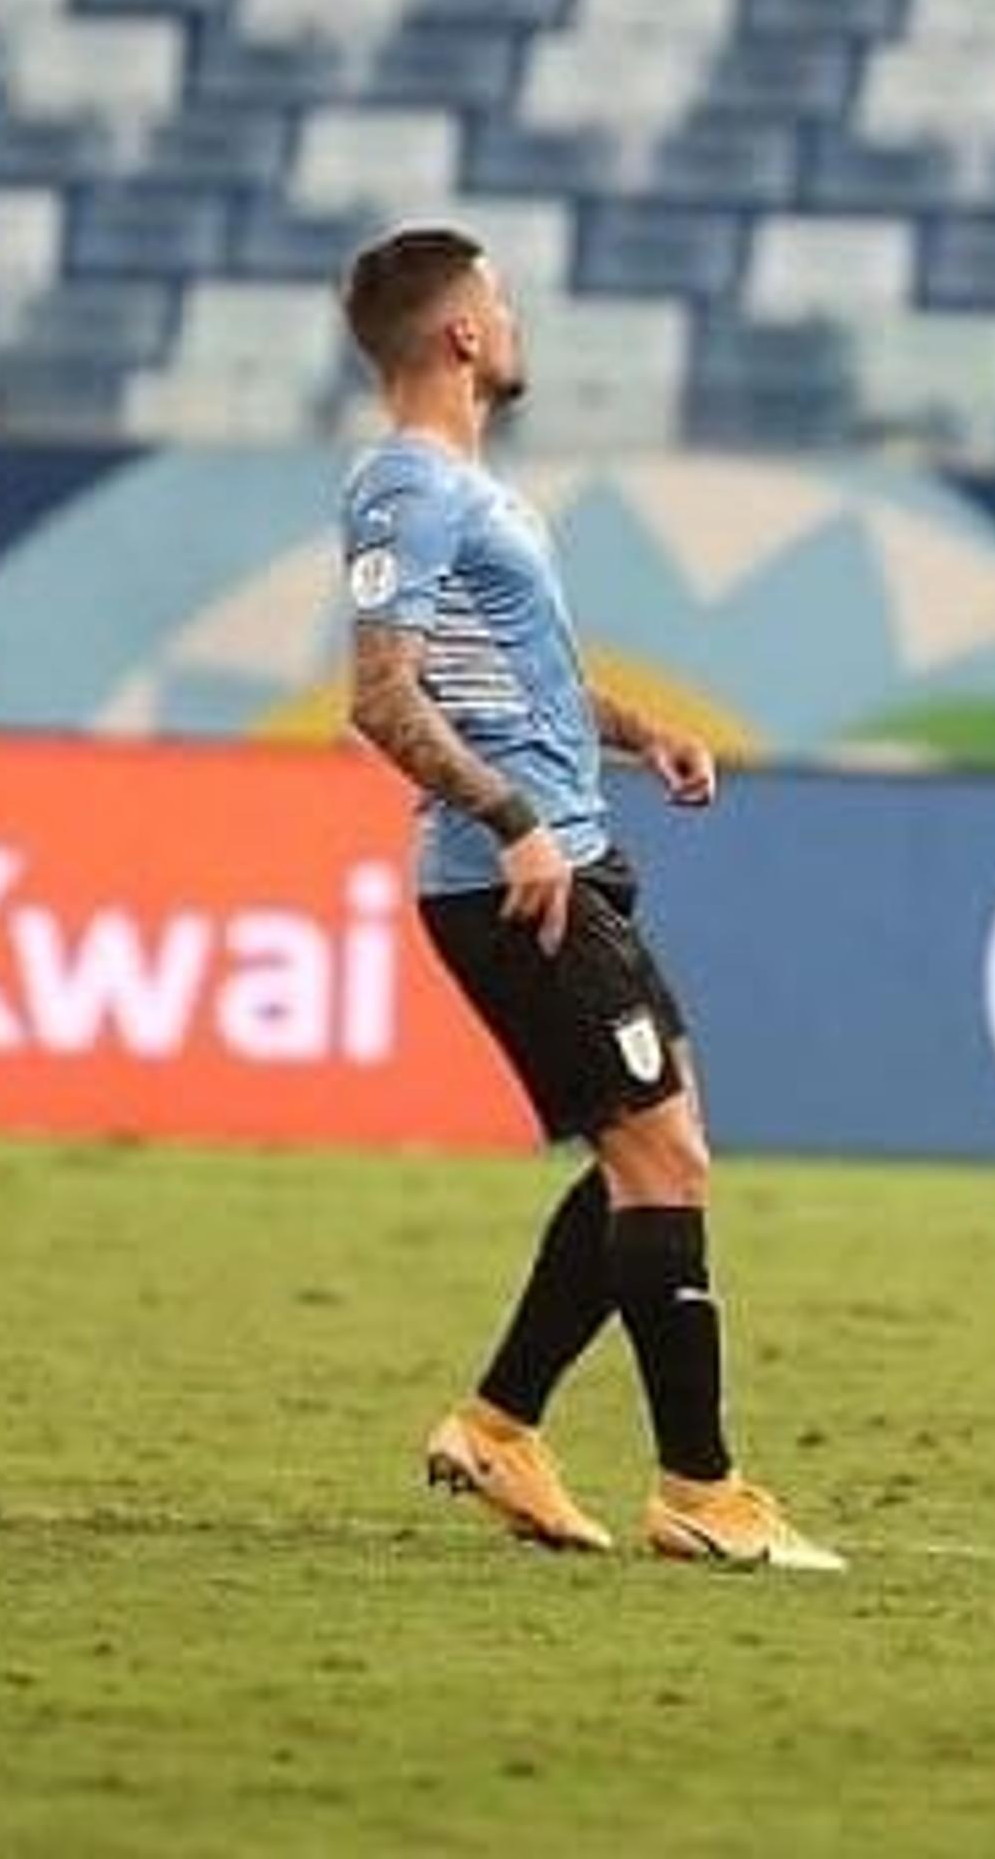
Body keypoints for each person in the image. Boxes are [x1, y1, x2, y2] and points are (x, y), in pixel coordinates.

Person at [336, 224, 840, 1573]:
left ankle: (502, 1424)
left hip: (569, 851)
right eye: (496, 302)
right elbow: (380, 698)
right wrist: (509, 823)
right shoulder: (406, 490)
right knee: (661, 1154)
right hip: (513, 880)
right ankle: (702, 1488)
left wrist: (639, 726)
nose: (512, 322)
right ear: (458, 336)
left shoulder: (477, 492)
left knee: (655, 1149)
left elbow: (526, 680)